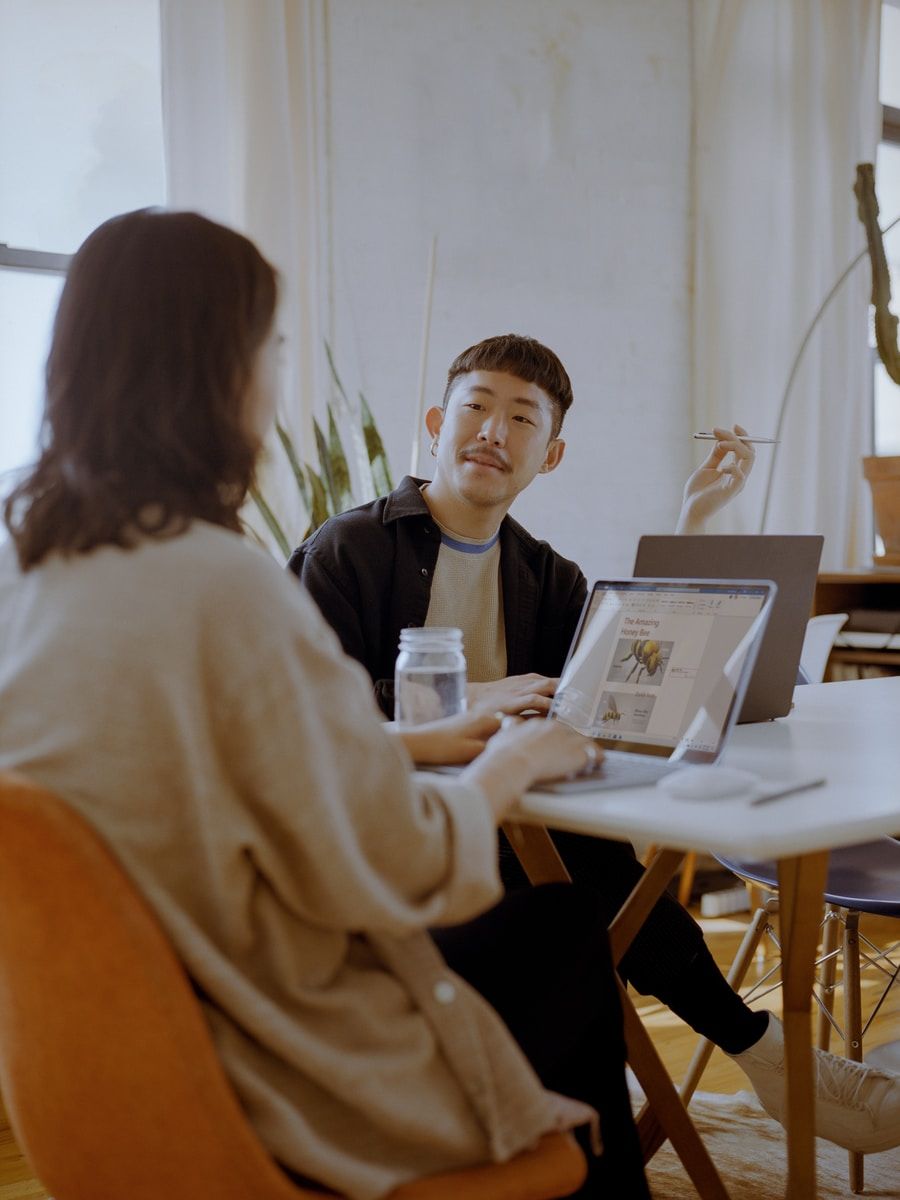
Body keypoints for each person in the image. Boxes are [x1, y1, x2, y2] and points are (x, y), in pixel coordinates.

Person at [0, 211, 655, 1199]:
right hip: (261, 1056)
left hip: (97, 1052)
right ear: (221, 374)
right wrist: (512, 762)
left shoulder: (26, 563)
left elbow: (203, 766)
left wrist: (423, 738)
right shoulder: (229, 584)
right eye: (272, 351)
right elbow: (406, 864)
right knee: (558, 932)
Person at [290, 333, 900, 1155]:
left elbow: (619, 690)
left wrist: (692, 522)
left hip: (511, 829)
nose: (493, 432)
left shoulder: (549, 576)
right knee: (588, 890)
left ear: (552, 455)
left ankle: (738, 1068)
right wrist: (477, 697)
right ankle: (760, 1053)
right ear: (436, 422)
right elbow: (309, 718)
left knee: (589, 880)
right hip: (379, 839)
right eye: (476, 407)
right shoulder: (349, 549)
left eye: (521, 419)